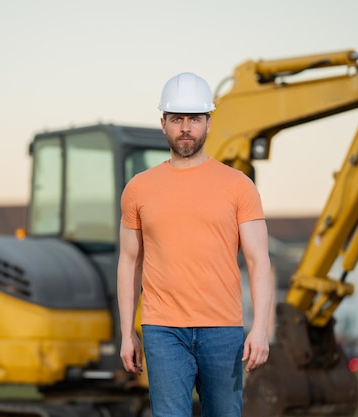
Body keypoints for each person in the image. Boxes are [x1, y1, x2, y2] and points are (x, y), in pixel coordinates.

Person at [117, 72, 273, 417]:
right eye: (177, 119)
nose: (185, 127)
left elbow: (259, 260)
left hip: (223, 329)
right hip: (162, 330)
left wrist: (260, 328)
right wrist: (127, 332)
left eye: (194, 119)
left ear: (208, 122)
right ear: (163, 123)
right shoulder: (139, 188)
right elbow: (129, 262)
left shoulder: (238, 186)